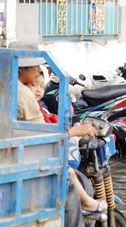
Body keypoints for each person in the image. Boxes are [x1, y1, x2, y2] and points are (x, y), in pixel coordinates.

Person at [26, 70, 108, 214]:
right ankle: (87, 203)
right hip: (37, 156)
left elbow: (51, 123)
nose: (38, 89)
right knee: (68, 171)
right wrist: (77, 131)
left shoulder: (39, 108)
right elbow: (45, 133)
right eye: (33, 85)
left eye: (41, 85)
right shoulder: (29, 105)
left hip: (38, 151)